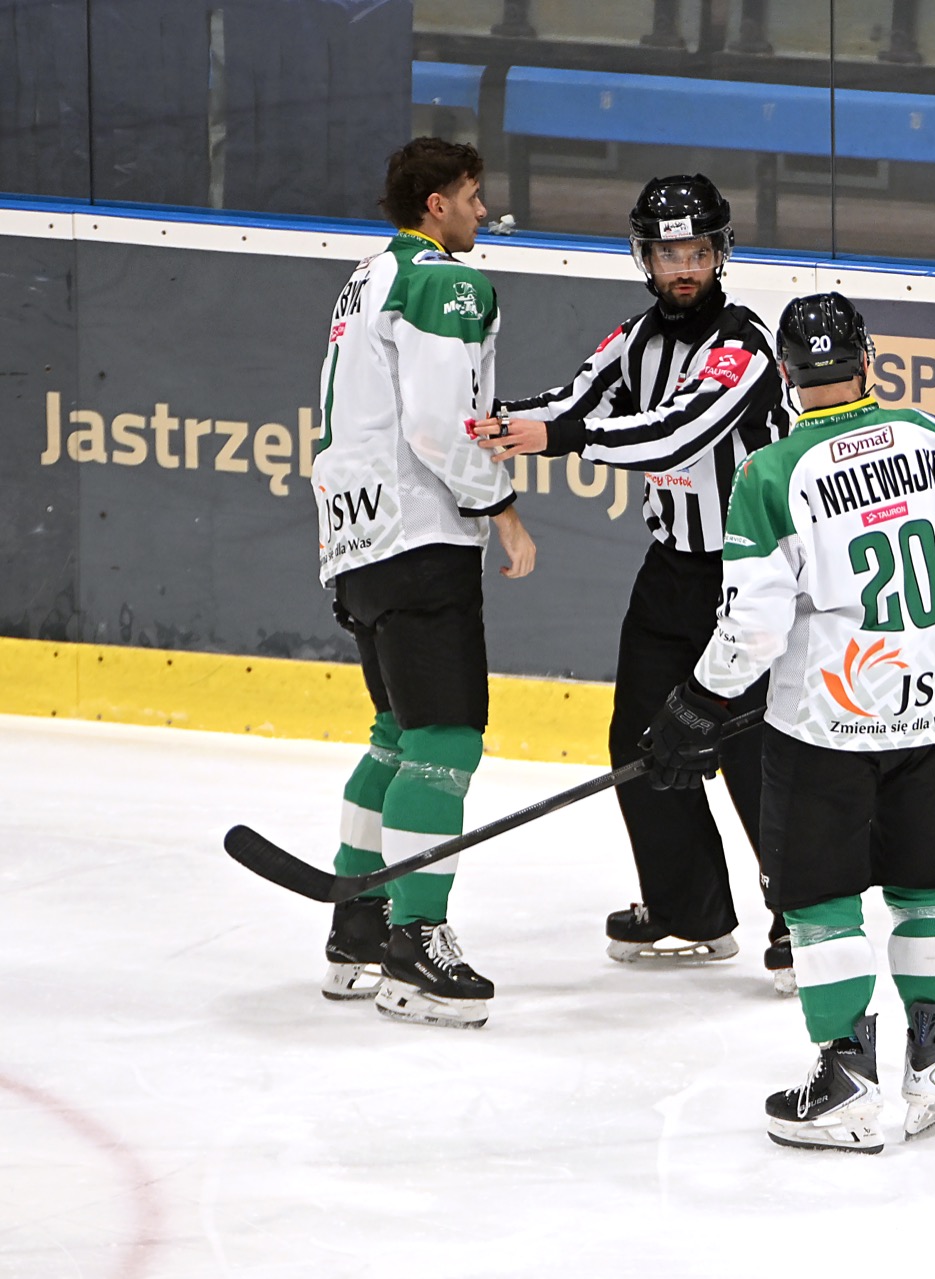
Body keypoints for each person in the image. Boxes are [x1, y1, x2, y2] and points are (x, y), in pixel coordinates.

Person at [644, 293, 935, 1151]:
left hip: (824, 724)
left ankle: (846, 1080)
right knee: (928, 889)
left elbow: (754, 628)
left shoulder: (772, 473)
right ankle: (933, 1062)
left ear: (786, 373)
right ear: (867, 359)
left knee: (821, 899)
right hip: (932, 711)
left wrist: (698, 701)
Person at [476, 175, 790, 983]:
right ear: (644, 259)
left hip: (752, 577)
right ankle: (690, 910)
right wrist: (501, 419)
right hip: (672, 573)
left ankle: (804, 913)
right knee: (644, 742)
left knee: (756, 749)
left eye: (697, 252)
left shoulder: (745, 345)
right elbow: (572, 398)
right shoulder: (633, 339)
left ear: (720, 254)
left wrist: (559, 437)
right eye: (667, 254)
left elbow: (676, 434)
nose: (683, 268)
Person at [315, 137, 536, 1030]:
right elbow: (441, 426)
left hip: (356, 539)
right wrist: (502, 507)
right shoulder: (442, 280)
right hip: (419, 534)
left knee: (397, 734)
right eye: (473, 196)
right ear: (436, 204)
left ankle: (358, 926)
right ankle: (416, 940)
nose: (483, 211)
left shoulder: (363, 279)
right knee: (445, 740)